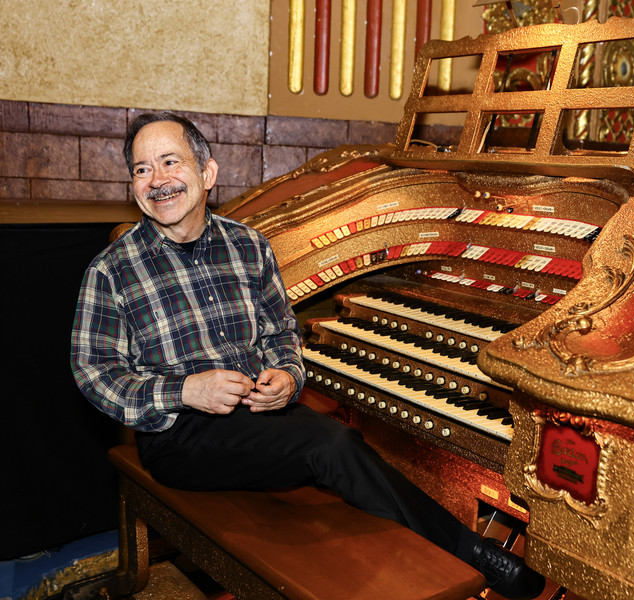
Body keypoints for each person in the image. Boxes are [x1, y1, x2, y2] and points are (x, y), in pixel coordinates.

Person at [71, 112, 546, 600]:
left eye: (170, 162)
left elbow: (281, 333)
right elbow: (94, 374)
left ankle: (410, 575)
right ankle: (472, 554)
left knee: (338, 449)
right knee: (332, 446)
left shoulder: (248, 246)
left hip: (259, 416)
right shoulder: (112, 269)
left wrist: (286, 376)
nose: (157, 180)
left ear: (207, 173)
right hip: (178, 436)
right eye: (142, 169)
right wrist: (186, 390)